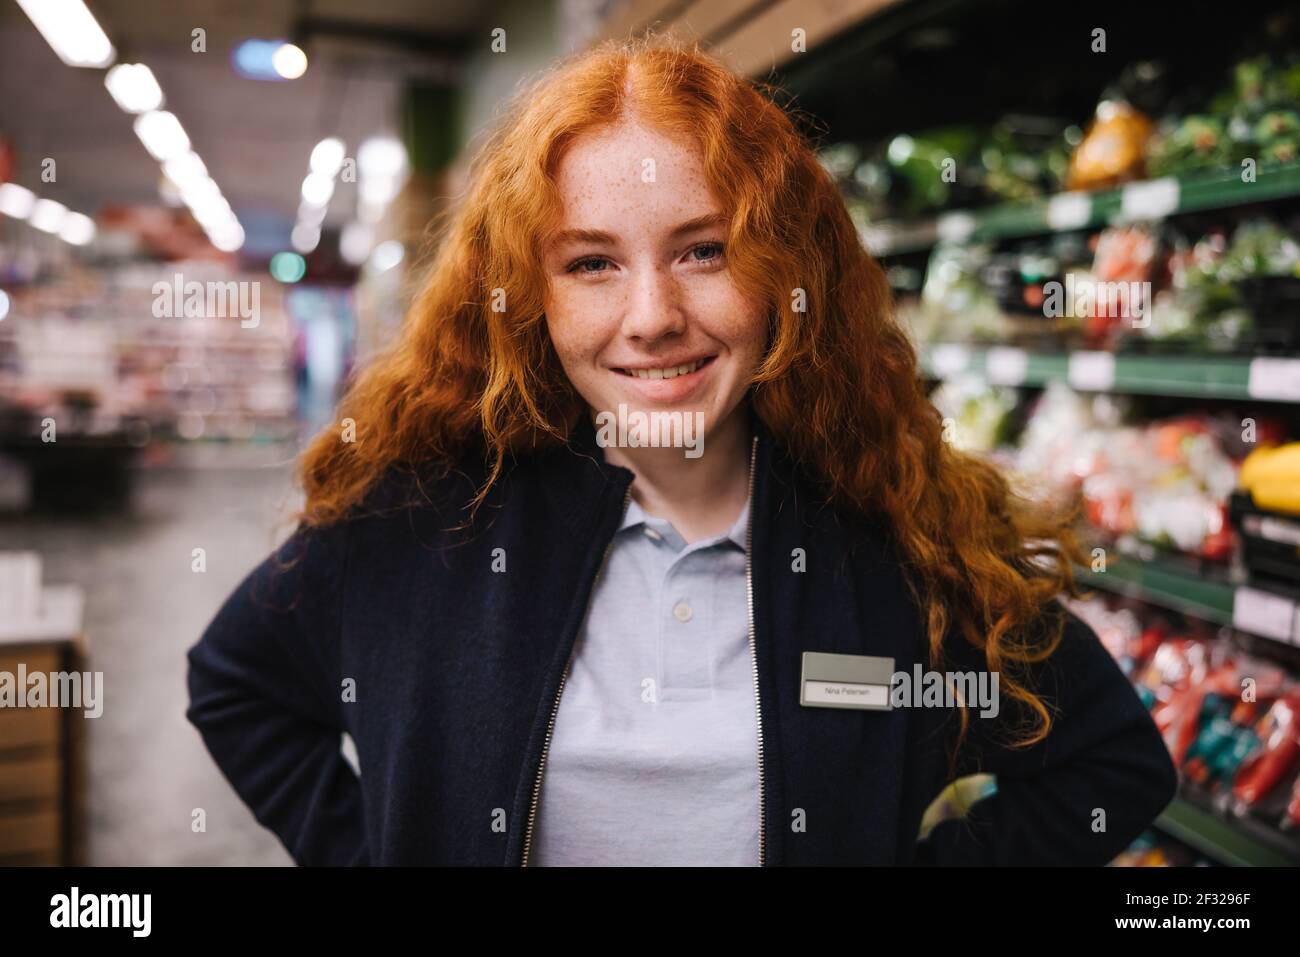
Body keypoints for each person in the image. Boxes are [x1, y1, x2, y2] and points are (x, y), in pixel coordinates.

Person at [185, 39, 1177, 866]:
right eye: (591, 264)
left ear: (782, 269)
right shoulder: (427, 519)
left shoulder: (888, 544)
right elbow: (237, 684)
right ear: (534, 297)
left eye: (703, 250)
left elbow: (1114, 765)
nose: (652, 318)